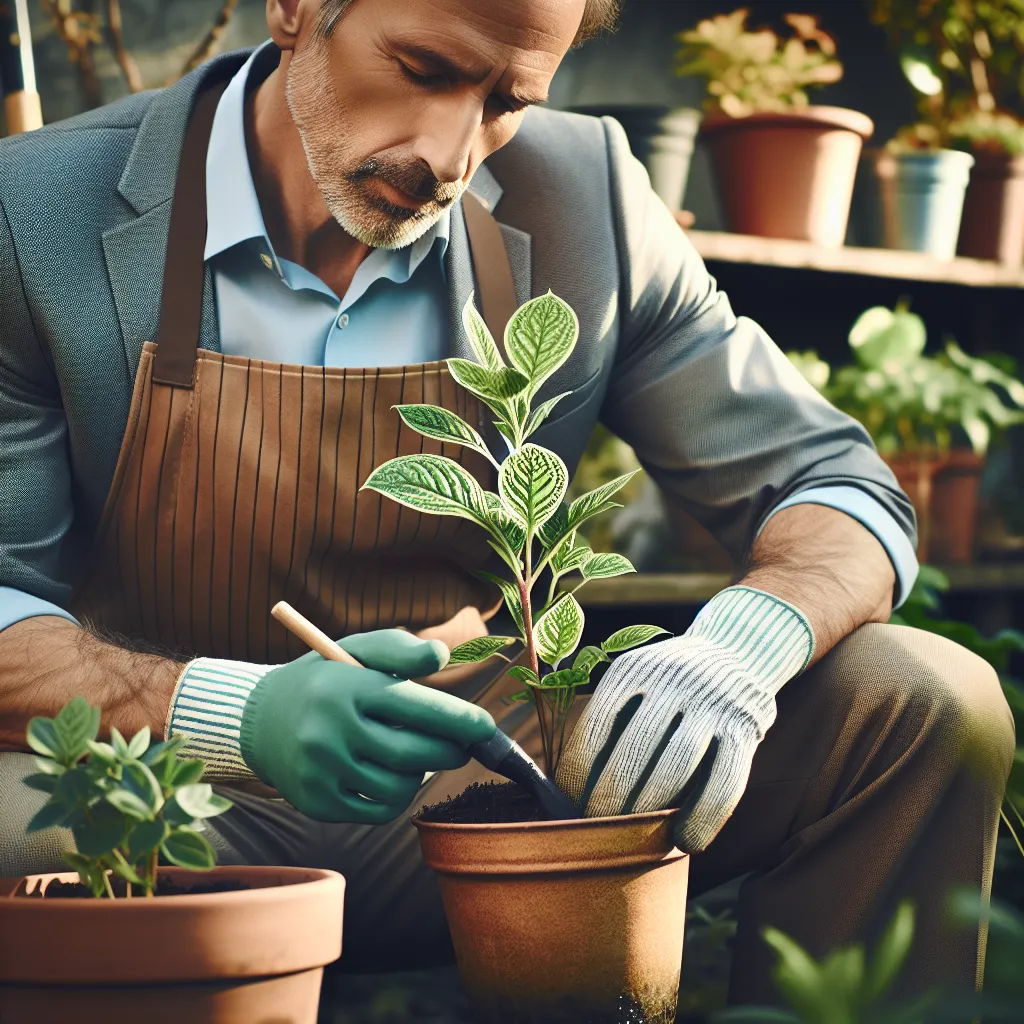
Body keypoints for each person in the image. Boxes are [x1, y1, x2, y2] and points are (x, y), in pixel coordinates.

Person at [0, 0, 1012, 1006]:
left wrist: (742, 646)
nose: (450, 154)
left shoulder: (587, 196)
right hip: (163, 788)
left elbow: (835, 483)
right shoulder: (35, 209)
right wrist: (236, 711)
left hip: (493, 789)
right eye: (424, 67)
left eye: (504, 101)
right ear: (297, 9)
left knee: (920, 698)